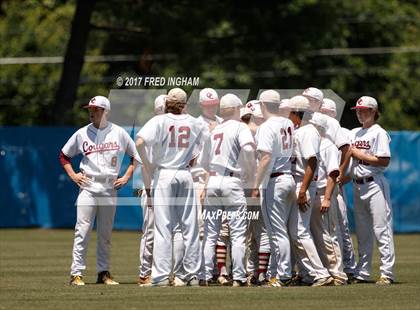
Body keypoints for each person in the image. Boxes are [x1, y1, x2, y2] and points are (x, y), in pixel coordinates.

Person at [60, 95, 141, 286]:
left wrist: (127, 176)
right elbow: (64, 156)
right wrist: (73, 175)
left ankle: (103, 273)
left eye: (96, 109)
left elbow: (135, 156)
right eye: (90, 109)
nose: (91, 112)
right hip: (88, 185)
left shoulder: (119, 132)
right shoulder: (82, 133)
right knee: (82, 230)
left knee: (105, 234)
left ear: (106, 112)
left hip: (109, 187)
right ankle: (76, 274)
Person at [136, 88, 204, 286]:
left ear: (167, 103)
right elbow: (200, 151)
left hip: (164, 174)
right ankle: (190, 275)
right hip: (185, 174)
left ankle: (162, 276)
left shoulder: (159, 120)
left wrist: (148, 164)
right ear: (185, 104)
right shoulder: (194, 122)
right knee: (189, 227)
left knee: (163, 227)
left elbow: (140, 141)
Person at [200, 93, 256, 287]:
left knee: (210, 233)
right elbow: (248, 150)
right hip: (232, 180)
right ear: (234, 109)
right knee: (238, 234)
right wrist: (251, 172)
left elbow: (204, 163)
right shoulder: (240, 126)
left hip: (213, 181)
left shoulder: (214, 130)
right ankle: (239, 277)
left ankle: (206, 275)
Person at [346, 96, 395, 285]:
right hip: (357, 184)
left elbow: (384, 160)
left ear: (374, 111)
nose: (360, 113)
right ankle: (363, 272)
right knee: (363, 231)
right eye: (357, 110)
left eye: (364, 110)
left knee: (381, 229)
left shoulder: (378, 132)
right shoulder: (354, 133)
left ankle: (387, 273)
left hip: (375, 184)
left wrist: (359, 154)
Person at [287, 95, 334, 287]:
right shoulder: (304, 130)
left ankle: (321, 273)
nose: (288, 115)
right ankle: (308, 274)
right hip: (301, 182)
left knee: (299, 232)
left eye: (290, 112)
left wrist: (303, 190)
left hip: (303, 183)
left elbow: (312, 162)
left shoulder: (306, 131)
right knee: (295, 231)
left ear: (297, 113)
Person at [251, 90, 296, 287]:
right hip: (288, 177)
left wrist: (255, 184)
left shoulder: (266, 126)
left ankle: (283, 275)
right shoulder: (287, 123)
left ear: (262, 105)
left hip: (275, 181)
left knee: (276, 232)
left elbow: (266, 157)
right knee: (281, 231)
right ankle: (278, 273)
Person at [319, 98, 357, 278]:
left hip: (336, 181)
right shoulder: (318, 128)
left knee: (341, 226)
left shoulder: (340, 130)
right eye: (322, 110)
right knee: (325, 227)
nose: (324, 114)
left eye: (327, 111)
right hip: (323, 181)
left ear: (334, 113)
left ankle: (349, 267)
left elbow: (347, 151)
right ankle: (329, 266)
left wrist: (341, 173)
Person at [309, 113, 348, 286]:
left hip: (325, 191)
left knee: (328, 235)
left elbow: (333, 173)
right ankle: (327, 271)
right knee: (318, 234)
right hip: (315, 192)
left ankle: (338, 275)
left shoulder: (328, 146)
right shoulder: (314, 144)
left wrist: (327, 198)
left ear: (319, 127)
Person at [137, 94, 166, 286]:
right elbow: (144, 168)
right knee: (150, 233)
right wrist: (148, 193)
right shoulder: (150, 129)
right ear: (157, 110)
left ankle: (163, 272)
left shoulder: (172, 129)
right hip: (153, 186)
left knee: (168, 233)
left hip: (167, 185)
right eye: (164, 108)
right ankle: (145, 273)